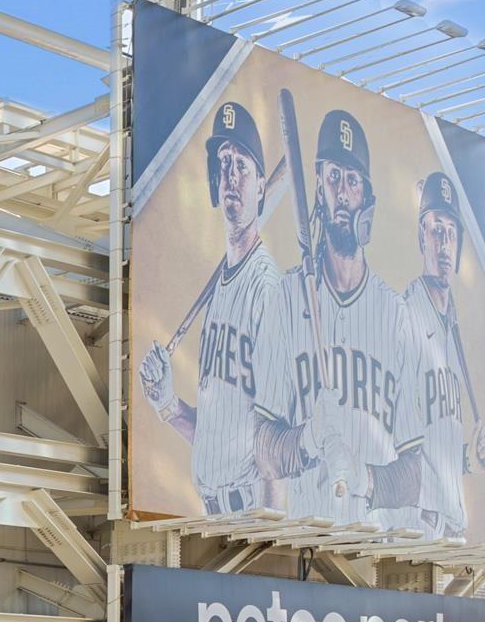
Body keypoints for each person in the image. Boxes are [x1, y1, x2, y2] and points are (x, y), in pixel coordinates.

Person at [141, 100, 300, 516]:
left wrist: (271, 531)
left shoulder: (266, 287)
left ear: (262, 186)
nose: (231, 176)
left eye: (242, 165)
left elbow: (275, 434)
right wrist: (167, 404)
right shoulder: (221, 289)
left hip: (252, 512)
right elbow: (218, 436)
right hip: (213, 512)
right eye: (224, 163)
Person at [279, 108, 413, 527]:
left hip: (379, 548)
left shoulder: (394, 314)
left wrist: (365, 479)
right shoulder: (286, 295)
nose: (341, 191)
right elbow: (260, 441)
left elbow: (416, 472)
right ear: (317, 185)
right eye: (333, 176)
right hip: (298, 544)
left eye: (352, 180)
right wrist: (307, 438)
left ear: (366, 198)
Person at [399, 169, 479, 540]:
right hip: (420, 524)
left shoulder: (454, 328)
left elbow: (440, 442)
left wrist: (471, 457)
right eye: (436, 231)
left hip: (453, 526)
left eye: (451, 232)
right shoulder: (405, 314)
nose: (444, 243)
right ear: (421, 238)